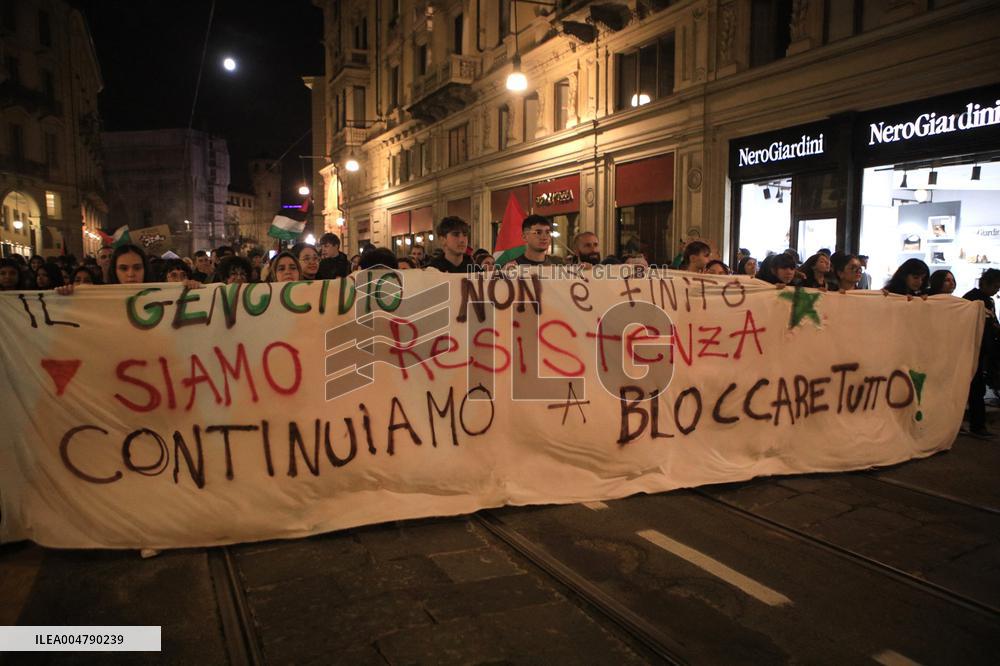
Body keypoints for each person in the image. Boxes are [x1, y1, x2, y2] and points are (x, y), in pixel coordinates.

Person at [963, 269, 1000, 438]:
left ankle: (977, 425)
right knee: (976, 388)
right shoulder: (973, 299)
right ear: (985, 283)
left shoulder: (987, 300)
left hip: (982, 349)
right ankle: (977, 426)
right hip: (973, 349)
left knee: (978, 388)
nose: (996, 290)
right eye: (995, 286)